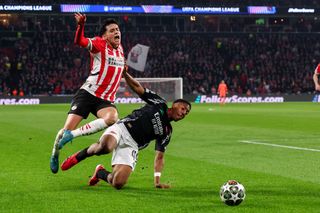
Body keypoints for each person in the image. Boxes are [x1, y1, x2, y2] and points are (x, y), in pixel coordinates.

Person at [59, 69, 191, 189]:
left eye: (187, 113)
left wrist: (157, 181)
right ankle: (79, 156)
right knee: (106, 147)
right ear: (175, 105)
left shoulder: (167, 131)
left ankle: (100, 172)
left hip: (132, 146)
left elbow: (160, 157)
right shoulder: (160, 104)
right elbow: (138, 88)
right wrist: (125, 74)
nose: (184, 113)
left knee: (118, 183)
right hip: (122, 128)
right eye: (183, 108)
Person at [50, 13, 126, 174]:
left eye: (117, 29)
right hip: (88, 94)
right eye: (112, 30)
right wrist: (81, 25)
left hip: (105, 100)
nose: (116, 32)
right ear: (104, 36)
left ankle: (73, 135)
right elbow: (79, 41)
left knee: (112, 117)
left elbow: (118, 68)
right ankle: (55, 154)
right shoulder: (99, 44)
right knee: (64, 131)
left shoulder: (120, 50)